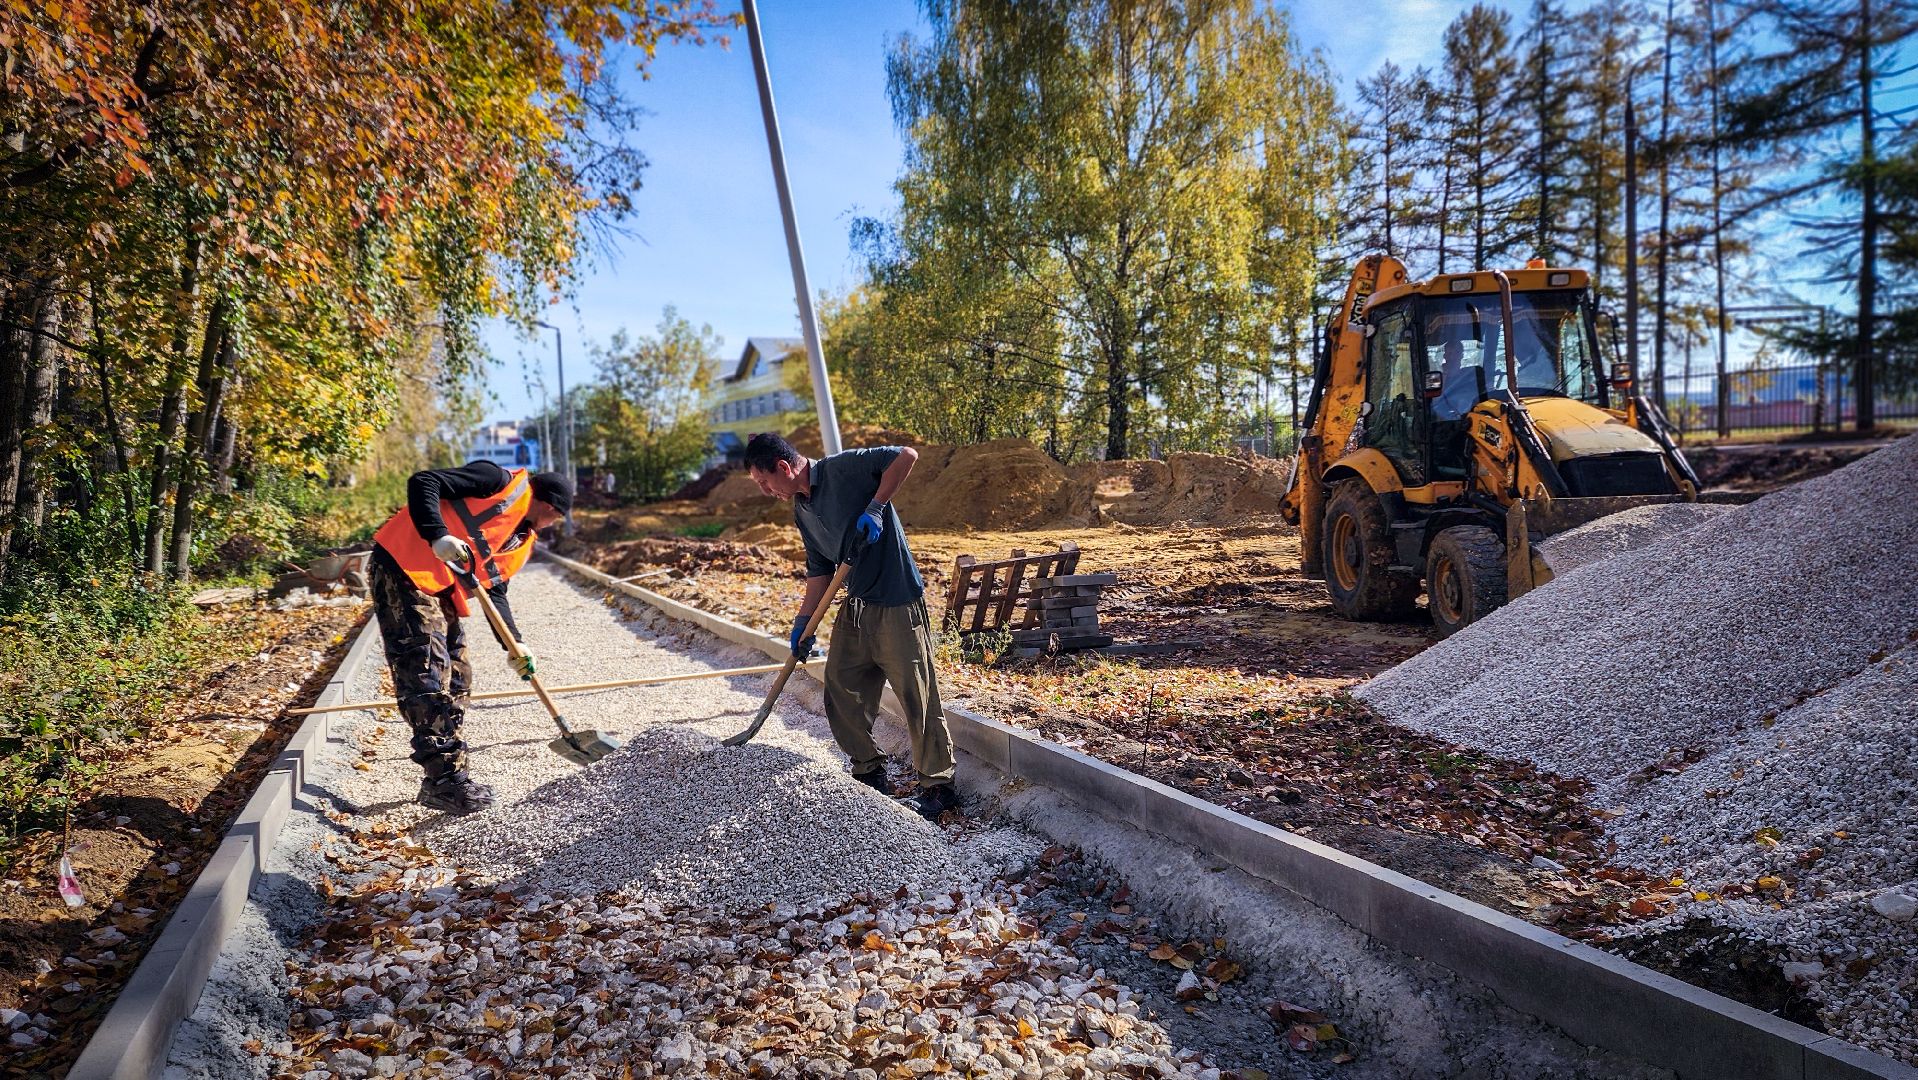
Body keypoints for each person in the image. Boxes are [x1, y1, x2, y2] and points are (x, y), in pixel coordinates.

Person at [743, 432, 958, 820]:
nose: (765, 491)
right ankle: (869, 770)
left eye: (764, 481)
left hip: (896, 599)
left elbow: (905, 456)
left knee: (916, 695)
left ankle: (938, 786)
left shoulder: (842, 469)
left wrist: (875, 507)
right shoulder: (802, 509)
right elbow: (819, 570)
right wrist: (803, 623)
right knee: (841, 685)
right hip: (857, 602)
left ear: (783, 467)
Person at [368, 461, 572, 814]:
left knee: (459, 676)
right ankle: (445, 780)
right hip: (403, 567)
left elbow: (496, 592)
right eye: (558, 516)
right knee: (426, 671)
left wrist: (514, 644)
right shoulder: (496, 481)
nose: (555, 522)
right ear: (550, 506)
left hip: (439, 586)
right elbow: (424, 481)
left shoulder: (520, 538)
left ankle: (446, 769)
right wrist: (437, 535)